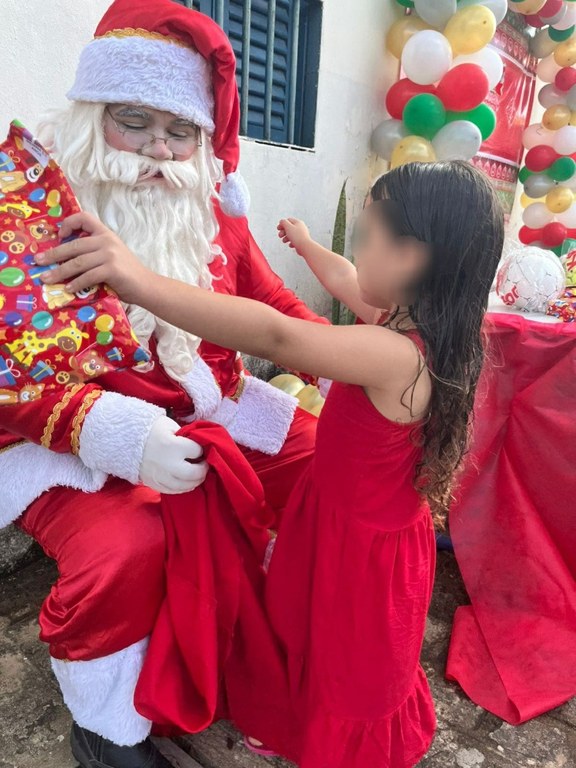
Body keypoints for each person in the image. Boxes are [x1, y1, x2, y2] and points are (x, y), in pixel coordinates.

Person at [41, 159, 505, 768]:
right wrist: (311, 247)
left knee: (344, 654)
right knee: (303, 628)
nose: (356, 250)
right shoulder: (419, 322)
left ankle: (331, 742)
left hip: (360, 549)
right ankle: (293, 716)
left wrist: (137, 280)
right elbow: (345, 280)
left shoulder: (395, 354)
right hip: (336, 518)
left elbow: (277, 337)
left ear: (413, 255)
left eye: (366, 235)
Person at [0, 1, 325, 765]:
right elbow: (10, 364)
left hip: (209, 400)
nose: (157, 149)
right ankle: (104, 722)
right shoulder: (34, 214)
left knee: (322, 459)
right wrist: (112, 433)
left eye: (181, 131)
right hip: (70, 439)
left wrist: (346, 365)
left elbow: (271, 306)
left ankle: (268, 638)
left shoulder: (212, 208)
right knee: (131, 546)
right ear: (93, 114)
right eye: (135, 121)